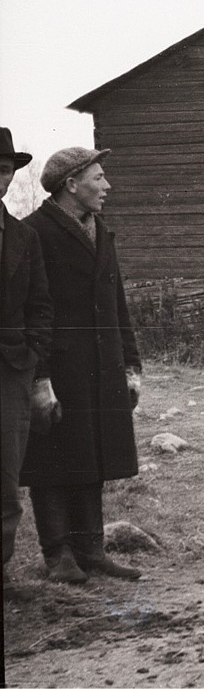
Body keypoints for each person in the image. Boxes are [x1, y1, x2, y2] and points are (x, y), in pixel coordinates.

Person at [21, 147, 143, 583]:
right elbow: (28, 309)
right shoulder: (32, 233)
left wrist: (131, 364)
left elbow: (117, 304)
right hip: (57, 369)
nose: (106, 186)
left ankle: (92, 550)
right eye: (97, 178)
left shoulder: (101, 231)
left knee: (93, 454)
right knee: (52, 460)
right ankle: (58, 556)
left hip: (102, 366)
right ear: (71, 184)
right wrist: (39, 378)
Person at [1, 128, 54, 592]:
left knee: (5, 479)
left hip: (10, 370)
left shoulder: (23, 236)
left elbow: (40, 304)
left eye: (2, 170)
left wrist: (32, 355)